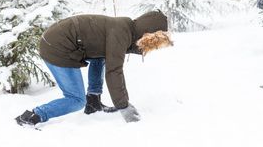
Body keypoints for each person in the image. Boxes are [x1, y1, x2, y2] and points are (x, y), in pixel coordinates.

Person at [15, 10, 172, 126]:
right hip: (57, 47)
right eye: (155, 41)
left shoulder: (126, 28)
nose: (153, 46)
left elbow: (111, 58)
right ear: (147, 33)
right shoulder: (121, 33)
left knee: (101, 57)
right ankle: (32, 116)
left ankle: (93, 102)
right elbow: (114, 71)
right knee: (75, 99)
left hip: (59, 40)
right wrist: (124, 106)